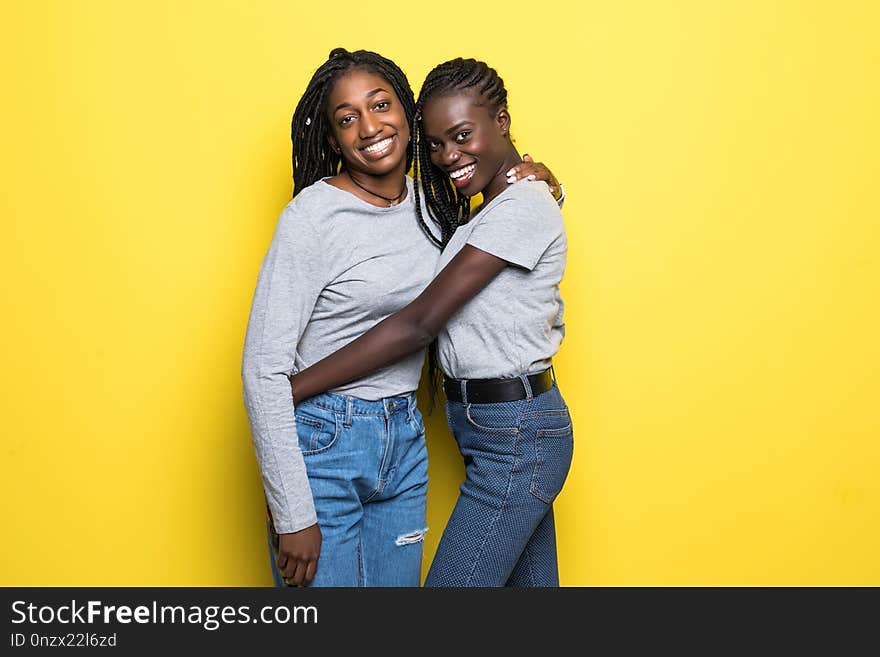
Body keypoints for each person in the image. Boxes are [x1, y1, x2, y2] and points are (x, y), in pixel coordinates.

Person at [241, 49, 562, 587]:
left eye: (380, 105)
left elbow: (508, 240)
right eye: (347, 119)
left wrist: (544, 186)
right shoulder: (311, 219)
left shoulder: (436, 206)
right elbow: (262, 371)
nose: (369, 127)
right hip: (324, 439)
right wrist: (290, 504)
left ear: (407, 117)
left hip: (406, 442)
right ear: (331, 139)